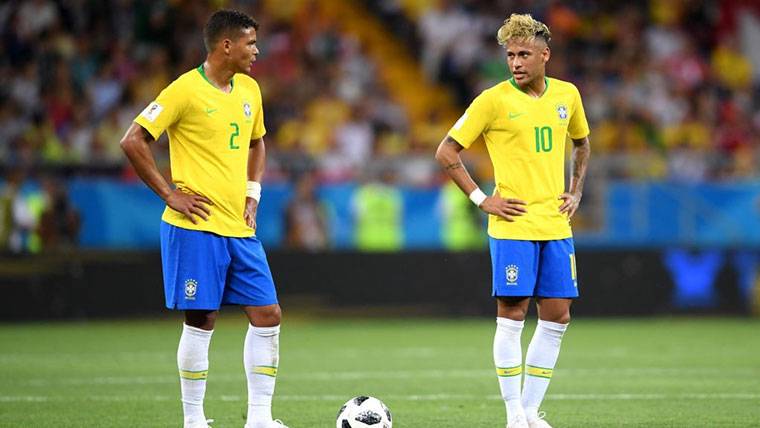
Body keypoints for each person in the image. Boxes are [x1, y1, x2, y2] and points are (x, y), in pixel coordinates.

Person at [120, 10, 287, 428]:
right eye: (250, 43)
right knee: (202, 318)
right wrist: (168, 193)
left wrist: (253, 192)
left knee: (268, 314)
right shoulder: (184, 91)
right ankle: (194, 420)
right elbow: (133, 140)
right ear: (226, 46)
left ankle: (260, 420)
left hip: (239, 226)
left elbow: (257, 142)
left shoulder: (249, 89)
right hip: (195, 227)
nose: (257, 50)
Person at [434, 13, 591, 428]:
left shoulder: (567, 96)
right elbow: (446, 153)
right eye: (510, 55)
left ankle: (530, 411)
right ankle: (513, 416)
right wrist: (482, 199)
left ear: (545, 55)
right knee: (513, 313)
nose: (516, 62)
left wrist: (575, 190)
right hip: (513, 225)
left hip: (556, 223)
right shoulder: (492, 100)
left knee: (558, 314)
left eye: (524, 54)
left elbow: (582, 143)